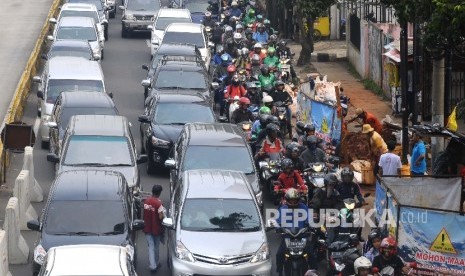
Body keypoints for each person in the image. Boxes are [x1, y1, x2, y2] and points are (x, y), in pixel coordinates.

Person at [275, 188, 317, 276]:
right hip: (287, 236)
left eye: (295, 200)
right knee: (279, 254)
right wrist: (278, 227)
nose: (293, 202)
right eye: (291, 200)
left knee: (311, 255)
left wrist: (312, 225)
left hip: (302, 236)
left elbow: (309, 219)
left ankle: (314, 272)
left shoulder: (304, 207)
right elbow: (277, 221)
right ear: (287, 200)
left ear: (298, 200)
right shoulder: (282, 209)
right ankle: (279, 272)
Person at [143, 184, 166, 273]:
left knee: (151, 246)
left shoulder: (146, 201)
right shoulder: (159, 203)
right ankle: (154, 264)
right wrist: (164, 214)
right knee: (156, 246)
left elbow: (146, 212)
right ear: (159, 193)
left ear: (152, 191)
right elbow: (161, 217)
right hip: (157, 229)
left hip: (147, 228)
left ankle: (154, 264)